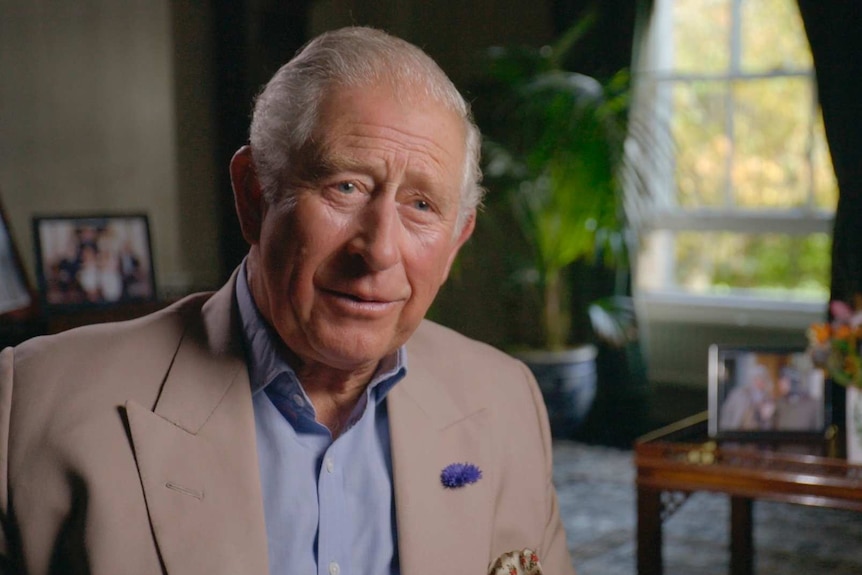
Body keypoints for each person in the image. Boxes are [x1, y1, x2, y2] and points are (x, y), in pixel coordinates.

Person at [0, 27, 575, 575]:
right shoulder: (29, 404)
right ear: (254, 196)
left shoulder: (507, 402)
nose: (378, 250)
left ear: (455, 243)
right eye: (344, 186)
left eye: (422, 205)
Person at [719, 364, 776, 431]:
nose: (760, 382)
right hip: (736, 435)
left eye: (763, 379)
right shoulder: (738, 395)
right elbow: (726, 415)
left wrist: (766, 417)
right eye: (756, 378)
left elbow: (770, 426)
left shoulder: (768, 399)